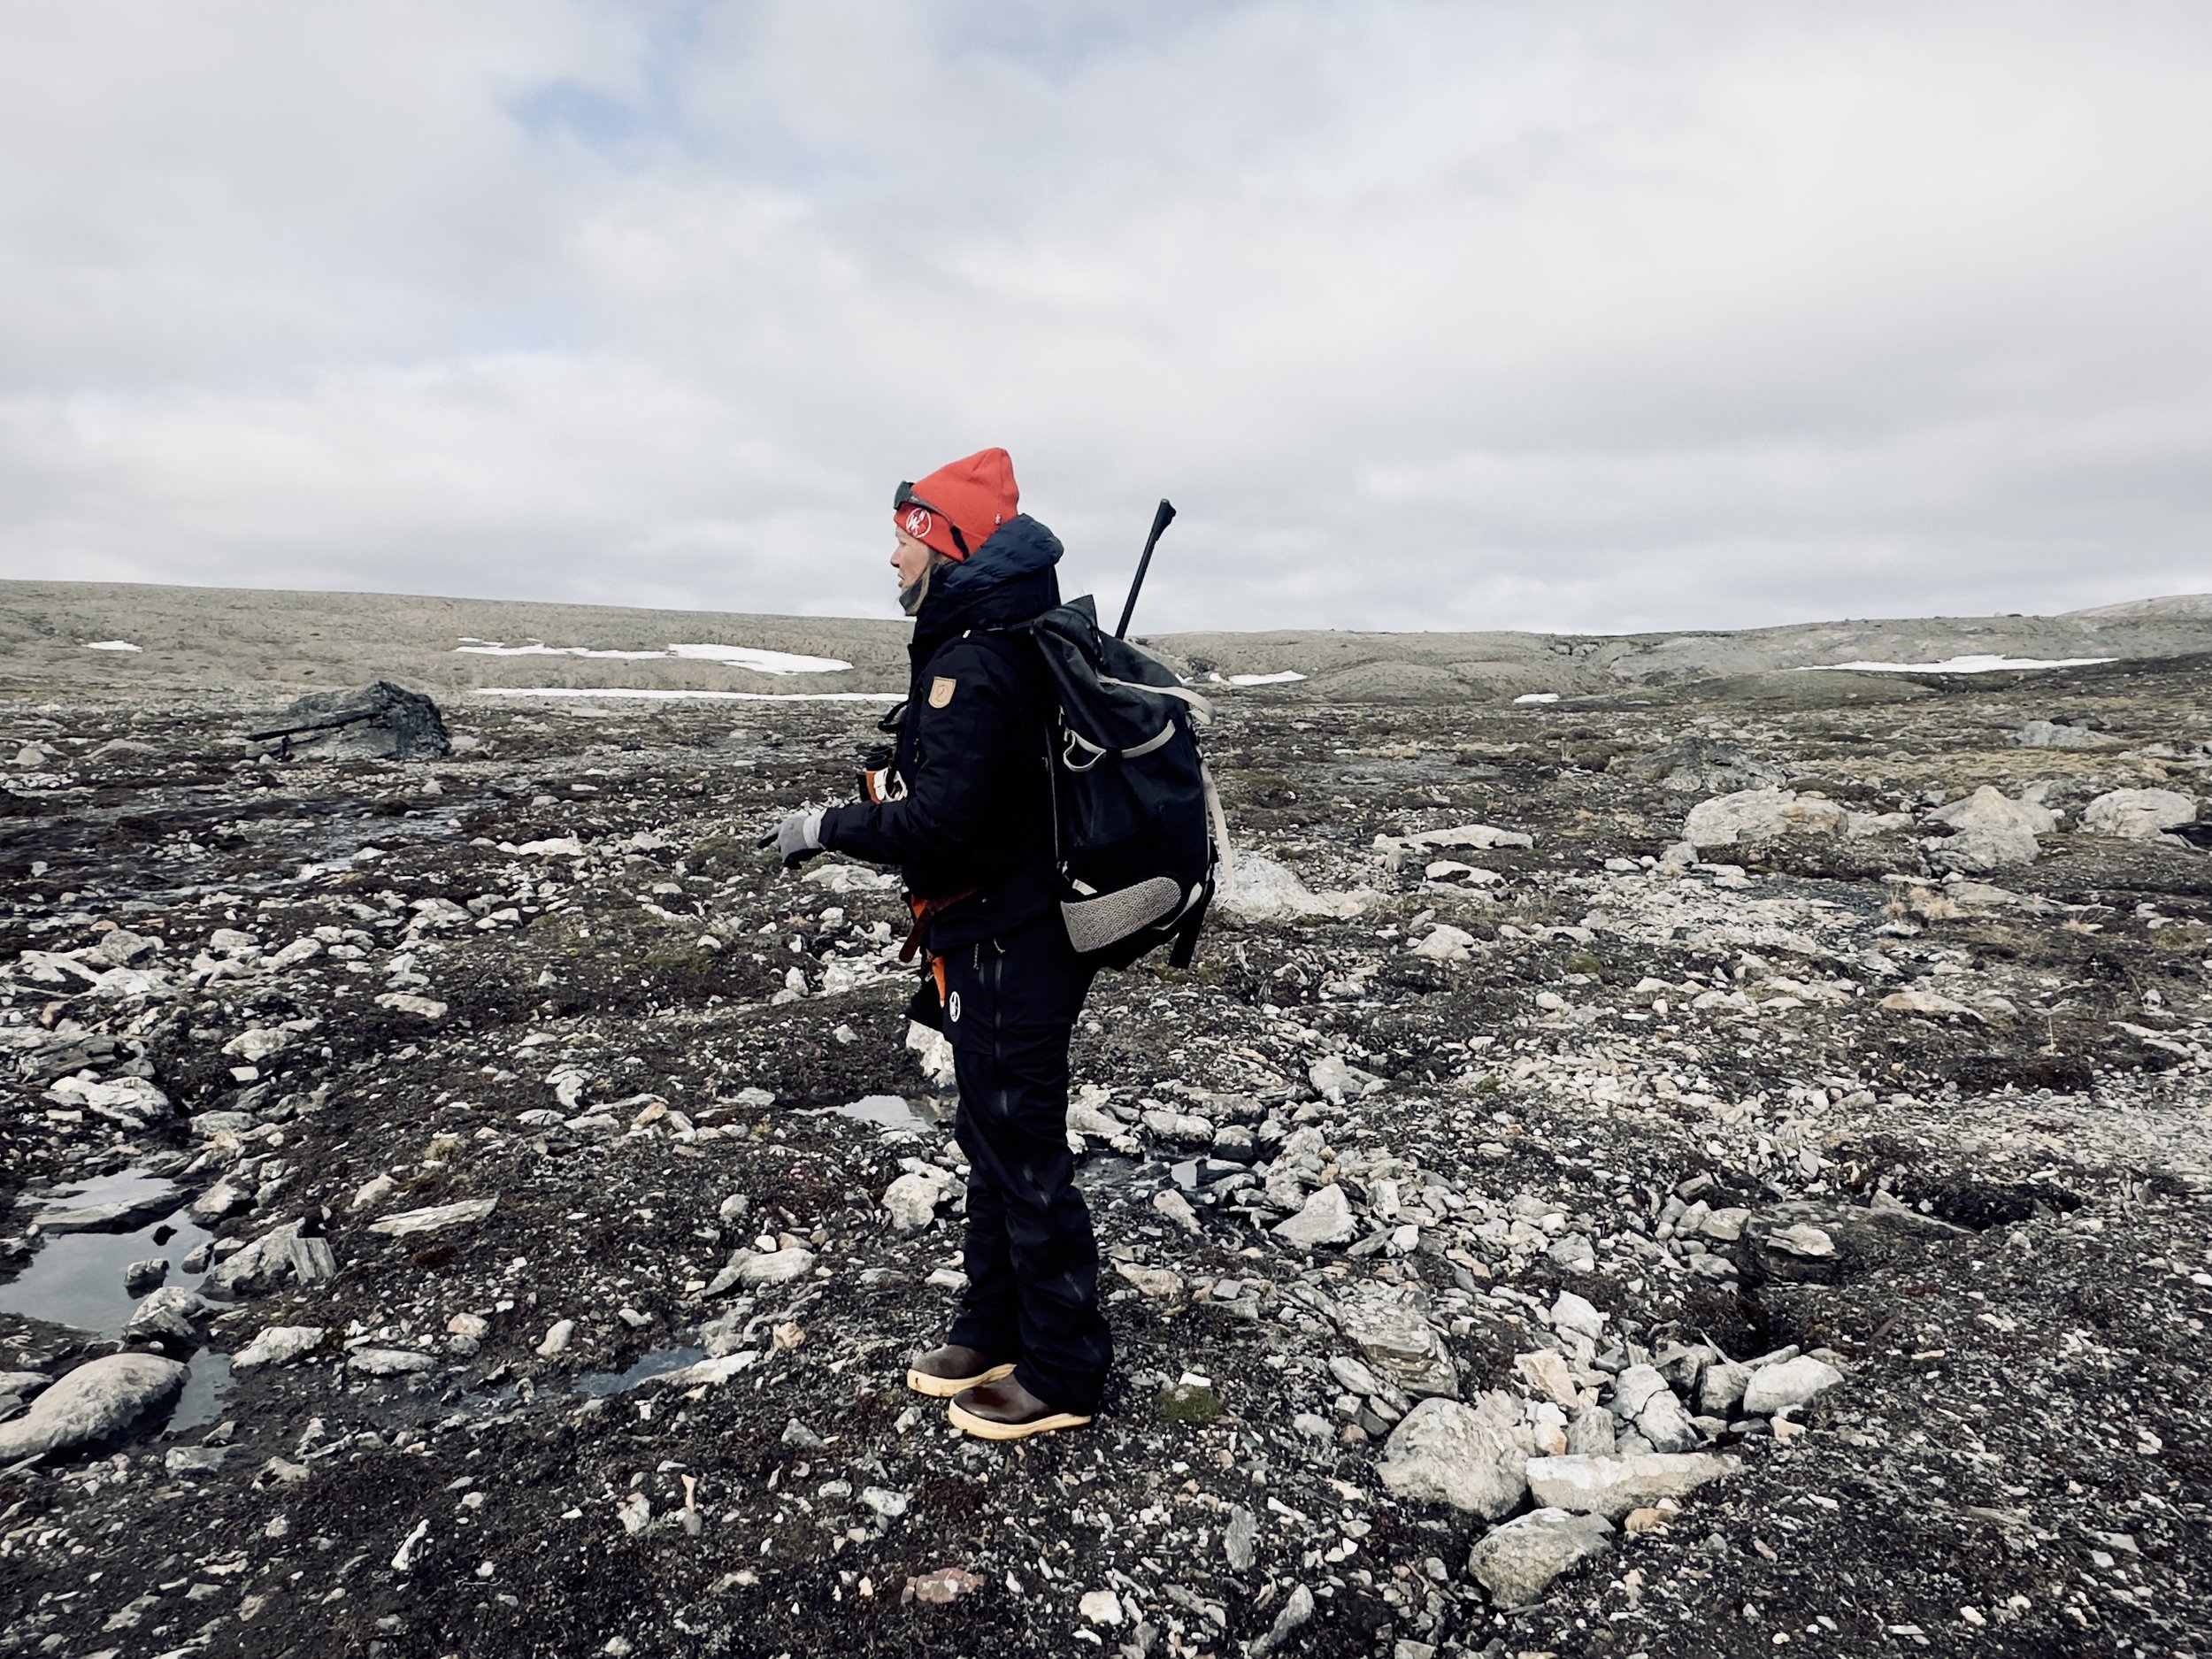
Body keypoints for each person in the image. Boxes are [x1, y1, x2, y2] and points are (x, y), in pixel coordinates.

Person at [764, 447, 1111, 1440]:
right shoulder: (989, 641)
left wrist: (824, 828)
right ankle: (991, 1324)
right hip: (999, 931)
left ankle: (1062, 1370)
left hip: (1011, 937)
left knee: (1020, 1145)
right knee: (991, 1135)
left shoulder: (977, 659)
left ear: (947, 547)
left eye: (905, 540)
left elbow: (943, 828)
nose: (892, 561)